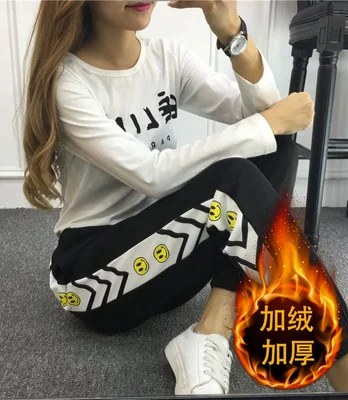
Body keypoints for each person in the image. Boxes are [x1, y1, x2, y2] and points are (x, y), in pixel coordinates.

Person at [21, 0, 348, 395]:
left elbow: (264, 111)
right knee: (237, 169)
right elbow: (153, 174)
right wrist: (265, 123)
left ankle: (211, 330)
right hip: (96, 280)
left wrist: (232, 34)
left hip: (170, 256)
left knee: (275, 147)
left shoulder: (166, 57)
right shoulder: (68, 82)